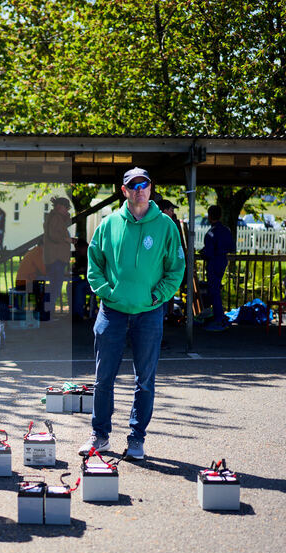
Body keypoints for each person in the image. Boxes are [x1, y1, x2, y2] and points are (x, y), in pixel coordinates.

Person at [81, 167, 185, 460]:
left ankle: (137, 439)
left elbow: (175, 269)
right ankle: (100, 436)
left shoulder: (166, 226)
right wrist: (107, 292)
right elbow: (94, 263)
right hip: (112, 312)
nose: (139, 189)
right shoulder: (109, 223)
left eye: (144, 184)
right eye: (133, 185)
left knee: (145, 380)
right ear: (123, 190)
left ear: (151, 189)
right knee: (103, 379)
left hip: (149, 313)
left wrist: (158, 295)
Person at [199, 204, 236, 332]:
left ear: (209, 217)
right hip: (223, 260)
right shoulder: (226, 230)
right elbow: (232, 247)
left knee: (214, 291)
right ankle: (219, 317)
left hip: (213, 262)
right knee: (216, 290)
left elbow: (208, 252)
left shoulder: (211, 233)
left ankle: (219, 319)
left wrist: (202, 253)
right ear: (220, 216)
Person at [43, 196, 76, 316]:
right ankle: (48, 315)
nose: (67, 210)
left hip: (55, 258)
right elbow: (53, 235)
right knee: (55, 289)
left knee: (54, 288)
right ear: (58, 207)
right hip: (56, 259)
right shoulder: (56, 218)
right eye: (65, 208)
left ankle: (47, 314)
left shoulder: (55, 217)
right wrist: (67, 239)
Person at [69, 238, 91, 320]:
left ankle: (78, 313)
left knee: (79, 287)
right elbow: (75, 268)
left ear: (85, 247)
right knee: (70, 285)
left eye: (79, 248)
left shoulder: (92, 254)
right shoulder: (82, 257)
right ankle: (72, 311)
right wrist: (75, 267)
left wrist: (84, 269)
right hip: (86, 281)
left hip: (95, 284)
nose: (78, 251)